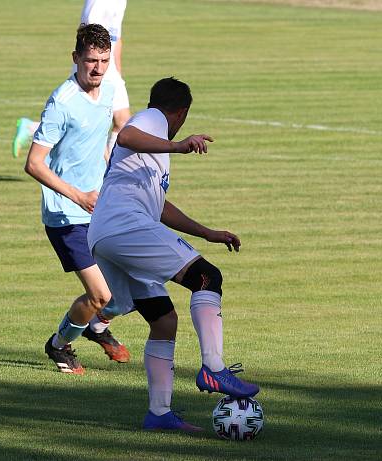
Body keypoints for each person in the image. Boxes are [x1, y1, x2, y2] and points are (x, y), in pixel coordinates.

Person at [87, 77, 259, 432]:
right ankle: (213, 368)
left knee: (163, 321)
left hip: (105, 234)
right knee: (207, 277)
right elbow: (126, 136)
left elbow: (160, 207)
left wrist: (207, 232)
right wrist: (179, 146)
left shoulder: (154, 153)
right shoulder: (153, 120)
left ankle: (159, 414)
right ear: (180, 113)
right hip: (124, 226)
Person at [24, 23, 129, 375]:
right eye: (90, 61)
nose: (97, 68)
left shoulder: (111, 89)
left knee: (132, 286)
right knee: (101, 295)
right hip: (66, 213)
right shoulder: (62, 103)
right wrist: (78, 195)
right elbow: (34, 163)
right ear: (75, 59)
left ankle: (96, 327)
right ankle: (59, 345)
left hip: (98, 206)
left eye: (104, 60)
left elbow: (103, 142)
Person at [13, 0, 130, 159]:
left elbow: (117, 38)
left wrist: (117, 72)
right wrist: (100, 67)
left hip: (109, 67)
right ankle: (110, 172)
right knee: (114, 120)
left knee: (117, 121)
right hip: (94, 64)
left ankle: (31, 128)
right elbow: (87, 35)